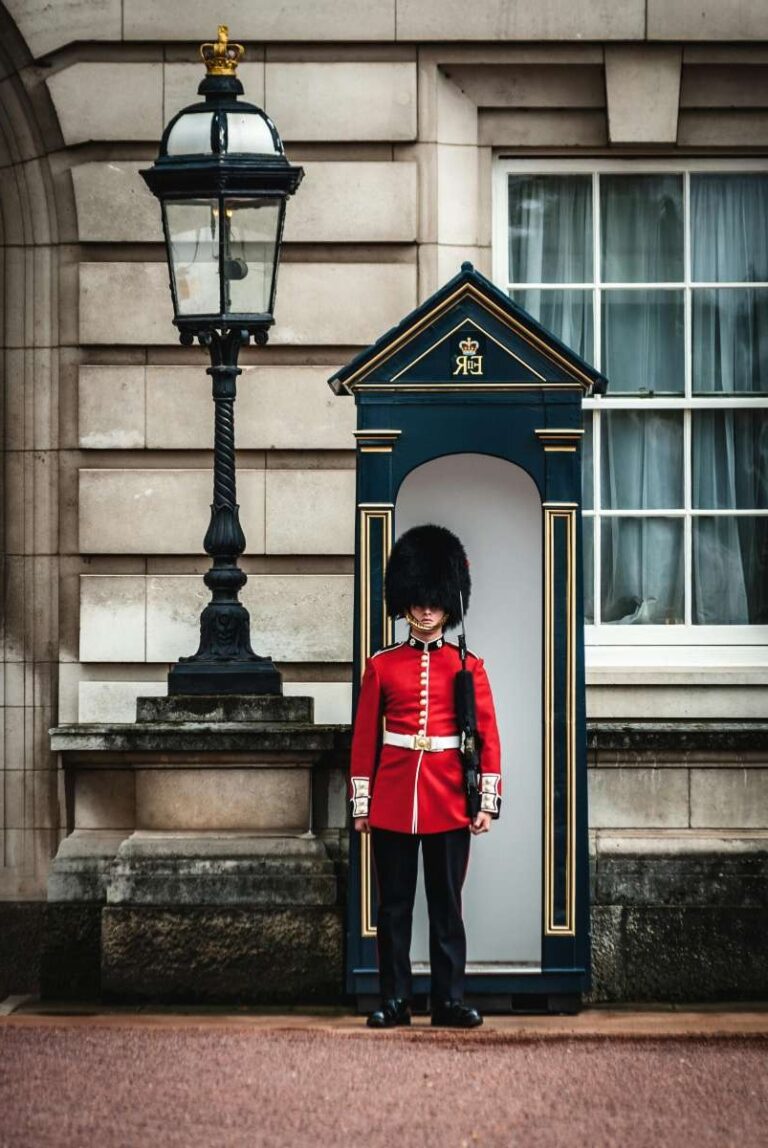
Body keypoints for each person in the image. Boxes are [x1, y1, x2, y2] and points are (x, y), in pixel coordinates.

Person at [349, 523, 502, 1028]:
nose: (426, 610)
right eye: (418, 600)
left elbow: (486, 737)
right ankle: (395, 999)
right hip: (394, 797)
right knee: (393, 909)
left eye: (435, 600)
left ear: (448, 601)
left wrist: (485, 801)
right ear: (406, 600)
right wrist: (361, 803)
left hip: (448, 798)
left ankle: (448, 1000)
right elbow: (366, 739)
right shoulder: (382, 666)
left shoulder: (469, 667)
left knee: (446, 908)